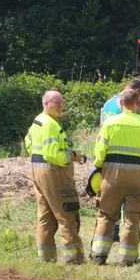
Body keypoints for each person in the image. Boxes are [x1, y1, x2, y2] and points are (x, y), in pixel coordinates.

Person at [90, 89, 140, 266]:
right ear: (137, 103)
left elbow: (100, 152)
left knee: (106, 214)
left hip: (112, 175)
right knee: (132, 217)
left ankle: (99, 254)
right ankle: (127, 258)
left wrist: (98, 168)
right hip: (137, 176)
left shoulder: (110, 123)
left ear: (121, 103)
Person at [25, 91, 86, 264]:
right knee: (67, 213)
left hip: (38, 171)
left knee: (45, 216)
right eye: (57, 102)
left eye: (62, 102)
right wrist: (72, 155)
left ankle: (46, 258)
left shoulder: (38, 121)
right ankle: (74, 259)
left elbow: (28, 142)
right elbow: (52, 154)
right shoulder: (50, 124)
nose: (61, 105)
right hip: (54, 172)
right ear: (46, 104)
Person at [100, 78, 140, 242]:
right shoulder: (131, 110)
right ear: (138, 94)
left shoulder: (107, 104)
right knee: (129, 205)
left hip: (108, 160)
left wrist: (99, 162)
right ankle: (121, 235)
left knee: (108, 204)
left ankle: (107, 236)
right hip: (130, 162)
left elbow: (101, 132)